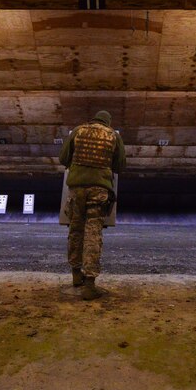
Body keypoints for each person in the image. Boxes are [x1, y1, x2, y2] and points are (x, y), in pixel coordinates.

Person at [59, 110, 126, 300]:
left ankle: (75, 275)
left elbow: (63, 158)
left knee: (75, 230)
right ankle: (89, 284)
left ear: (93, 119)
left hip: (77, 190)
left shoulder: (78, 131)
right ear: (108, 122)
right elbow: (120, 166)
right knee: (93, 233)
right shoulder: (113, 136)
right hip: (99, 190)